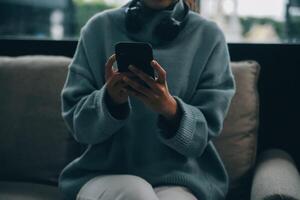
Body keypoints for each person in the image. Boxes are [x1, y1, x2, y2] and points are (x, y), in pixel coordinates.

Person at [58, 0, 236, 199]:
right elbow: (79, 127)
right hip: (103, 175)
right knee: (135, 193)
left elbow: (199, 141)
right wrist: (109, 101)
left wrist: (170, 109)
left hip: (181, 181)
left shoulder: (209, 37)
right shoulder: (98, 29)